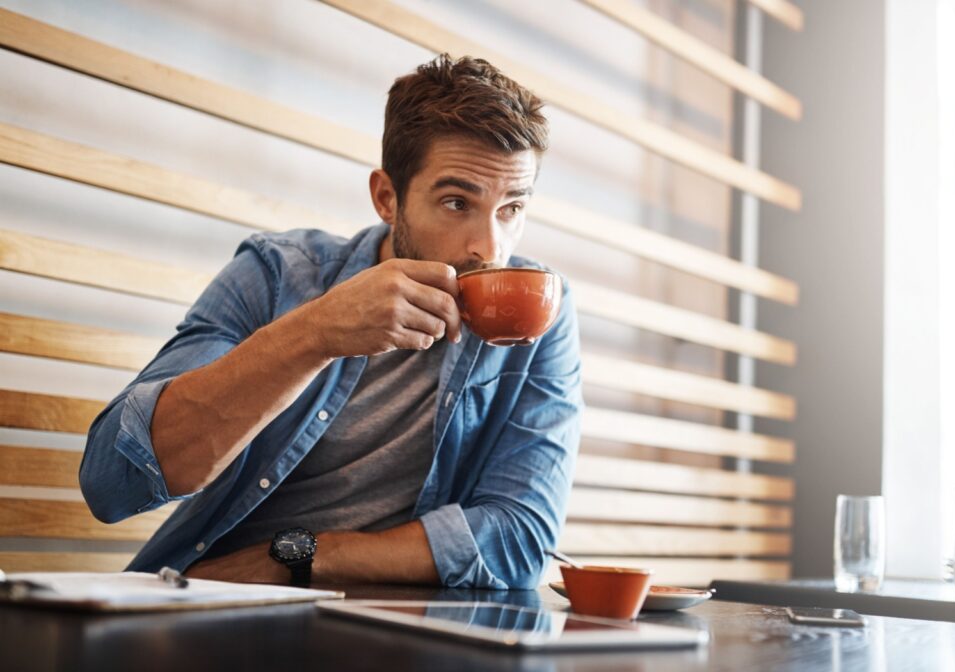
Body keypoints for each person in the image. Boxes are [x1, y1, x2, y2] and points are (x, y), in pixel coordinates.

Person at [79, 54, 582, 591]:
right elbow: (113, 480)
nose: (490, 247)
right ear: (388, 198)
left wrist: (288, 556)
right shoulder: (278, 274)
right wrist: (316, 334)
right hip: (223, 606)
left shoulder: (540, 313)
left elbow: (522, 537)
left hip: (400, 622)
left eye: (511, 208)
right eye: (457, 202)